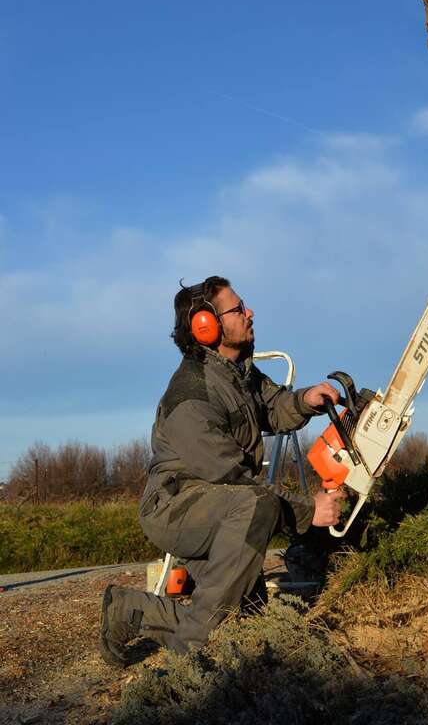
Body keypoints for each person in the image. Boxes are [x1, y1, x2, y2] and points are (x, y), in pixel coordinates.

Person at [99, 275, 342, 665]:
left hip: (221, 507)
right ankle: (193, 662)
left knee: (246, 618)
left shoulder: (237, 372)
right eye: (238, 308)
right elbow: (233, 479)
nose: (250, 313)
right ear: (205, 326)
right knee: (257, 504)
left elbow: (273, 406)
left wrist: (305, 400)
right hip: (177, 508)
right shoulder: (191, 395)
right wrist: (310, 511)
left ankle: (129, 609)